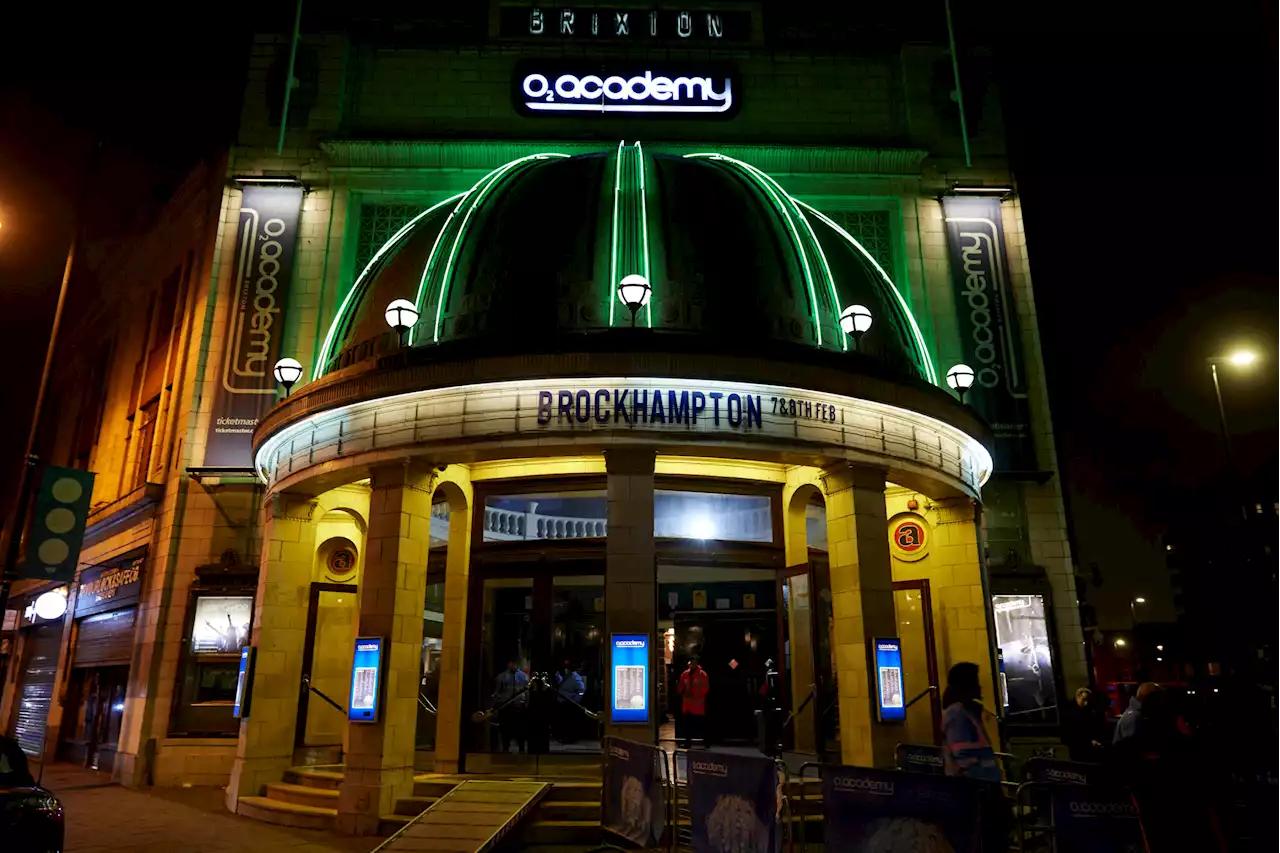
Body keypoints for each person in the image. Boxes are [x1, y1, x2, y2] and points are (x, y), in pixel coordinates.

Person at [1111, 687, 1227, 852]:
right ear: (1177, 718)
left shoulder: (1127, 749)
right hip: (1192, 835)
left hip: (1148, 836)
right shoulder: (1190, 752)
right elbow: (1210, 800)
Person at [941, 663, 1008, 852]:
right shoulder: (957, 714)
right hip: (975, 792)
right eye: (975, 681)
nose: (980, 686)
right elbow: (965, 757)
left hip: (983, 789)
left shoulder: (970, 712)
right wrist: (985, 788)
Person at [492, 658, 529, 753]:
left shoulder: (524, 677)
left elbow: (527, 693)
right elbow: (497, 693)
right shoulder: (501, 677)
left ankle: (521, 747)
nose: (512, 665)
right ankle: (506, 748)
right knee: (506, 730)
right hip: (506, 707)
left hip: (519, 707)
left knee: (520, 730)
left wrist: (526, 705)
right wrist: (496, 705)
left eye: (514, 663)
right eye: (510, 663)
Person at [1063, 686, 1107, 763]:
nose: (1086, 703)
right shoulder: (1070, 713)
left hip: (1087, 748)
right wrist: (1089, 741)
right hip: (1077, 750)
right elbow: (1072, 735)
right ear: (1077, 697)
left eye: (1087, 700)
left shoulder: (1087, 711)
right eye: (1083, 700)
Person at [677, 657, 710, 750]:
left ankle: (706, 742)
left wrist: (695, 694)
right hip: (687, 705)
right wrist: (683, 692)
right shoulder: (685, 674)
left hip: (698, 705)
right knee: (687, 726)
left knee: (701, 725)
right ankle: (688, 743)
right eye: (692, 662)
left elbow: (705, 688)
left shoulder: (702, 675)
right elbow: (680, 687)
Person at [555, 662, 585, 744]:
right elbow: (563, 685)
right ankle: (563, 737)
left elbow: (581, 690)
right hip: (562, 702)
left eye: (566, 669)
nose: (565, 670)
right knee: (563, 722)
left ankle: (569, 739)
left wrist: (575, 700)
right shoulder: (567, 677)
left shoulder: (575, 678)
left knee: (569, 723)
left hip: (569, 703)